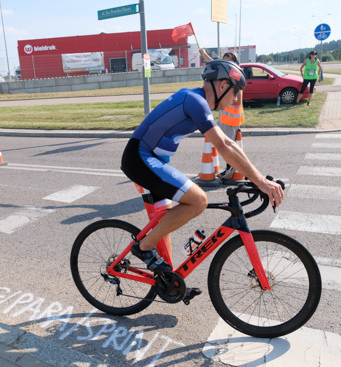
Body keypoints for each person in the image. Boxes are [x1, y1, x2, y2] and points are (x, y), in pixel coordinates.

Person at [121, 59, 284, 274]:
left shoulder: (196, 101)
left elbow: (229, 145)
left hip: (150, 159)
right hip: (139, 158)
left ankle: (167, 278)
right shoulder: (194, 101)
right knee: (198, 200)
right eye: (235, 92)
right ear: (223, 85)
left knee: (164, 223)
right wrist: (261, 182)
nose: (236, 100)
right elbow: (225, 144)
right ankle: (143, 248)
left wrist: (255, 178)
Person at [199, 49, 245, 179]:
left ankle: (230, 170)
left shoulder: (236, 77)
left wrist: (226, 99)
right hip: (225, 117)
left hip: (232, 119)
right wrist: (204, 54)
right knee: (225, 144)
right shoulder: (228, 76)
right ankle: (230, 168)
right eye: (224, 61)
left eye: (228, 61)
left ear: (235, 63)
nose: (226, 64)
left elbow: (238, 101)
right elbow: (214, 63)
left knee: (228, 146)